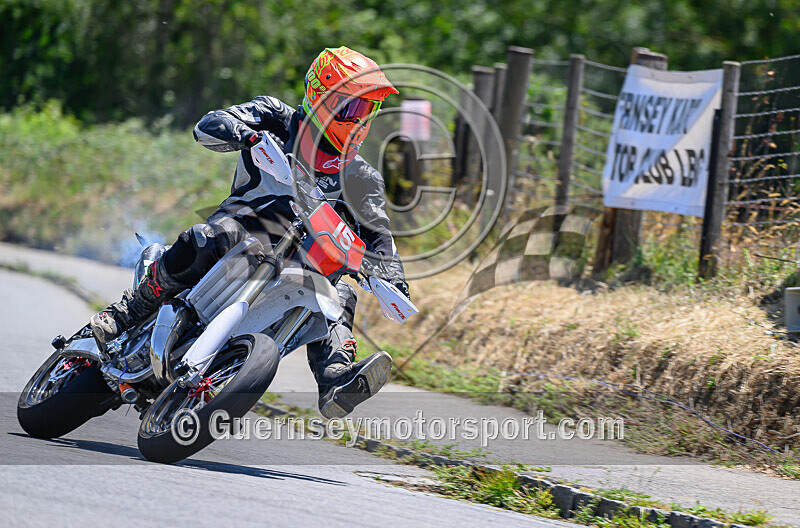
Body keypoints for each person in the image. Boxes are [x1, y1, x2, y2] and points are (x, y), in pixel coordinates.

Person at [90, 46, 409, 419]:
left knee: (339, 293)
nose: (360, 120)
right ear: (321, 98)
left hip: (300, 261)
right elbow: (209, 123)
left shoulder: (362, 177)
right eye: (353, 108)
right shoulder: (277, 118)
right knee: (207, 237)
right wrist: (249, 137)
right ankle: (130, 310)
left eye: (368, 111)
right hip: (243, 229)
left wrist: (394, 282)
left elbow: (379, 235)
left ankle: (335, 379)